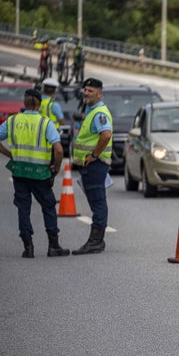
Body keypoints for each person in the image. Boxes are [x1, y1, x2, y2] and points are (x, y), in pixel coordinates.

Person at [0, 89, 70, 258]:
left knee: (23, 208)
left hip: (19, 171)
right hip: (40, 174)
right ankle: (53, 246)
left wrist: (9, 154)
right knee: (48, 206)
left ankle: (28, 248)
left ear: (24, 103)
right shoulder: (45, 123)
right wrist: (55, 169)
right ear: (40, 104)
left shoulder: (13, 121)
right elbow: (58, 150)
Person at [71, 78, 113, 255]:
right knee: (97, 202)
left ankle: (96, 241)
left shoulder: (99, 113)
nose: (86, 93)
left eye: (90, 91)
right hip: (90, 165)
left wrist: (94, 155)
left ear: (99, 93)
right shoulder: (91, 110)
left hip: (95, 164)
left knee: (98, 202)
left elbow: (106, 135)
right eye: (85, 90)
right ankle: (96, 240)